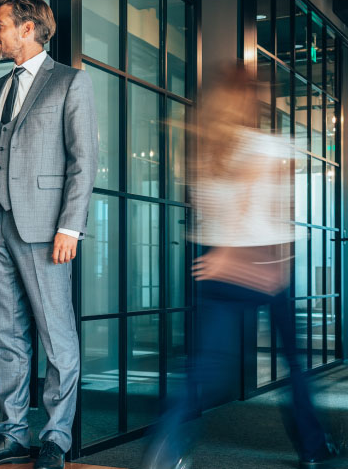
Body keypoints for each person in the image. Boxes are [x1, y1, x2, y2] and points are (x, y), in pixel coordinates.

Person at [140, 66, 344, 469]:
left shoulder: (200, 148)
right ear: (245, 99)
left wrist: (216, 255)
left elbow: (203, 207)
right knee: (293, 362)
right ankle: (313, 449)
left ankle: (167, 440)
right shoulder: (266, 146)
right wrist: (257, 259)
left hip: (214, 263)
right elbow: (262, 203)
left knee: (203, 365)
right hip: (261, 261)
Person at [0, 0, 98, 469]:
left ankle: (56, 437)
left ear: (28, 29)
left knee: (56, 337)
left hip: (44, 229)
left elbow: (84, 162)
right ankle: (12, 433)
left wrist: (70, 228)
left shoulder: (70, 84)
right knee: (7, 336)